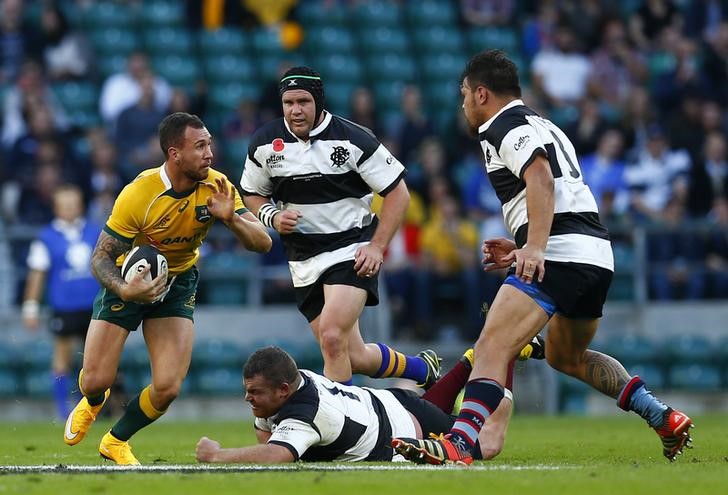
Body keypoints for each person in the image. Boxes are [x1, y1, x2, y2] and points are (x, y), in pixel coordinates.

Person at [393, 50, 693, 466]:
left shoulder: (504, 125)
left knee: (491, 346)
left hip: (558, 253)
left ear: (482, 94)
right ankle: (660, 414)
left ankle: (458, 443)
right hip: (594, 256)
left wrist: (534, 247)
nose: (461, 104)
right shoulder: (544, 123)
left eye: (464, 94)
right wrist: (522, 245)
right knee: (564, 356)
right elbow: (559, 191)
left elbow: (540, 177)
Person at [63, 112, 272, 465]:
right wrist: (126, 291)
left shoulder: (217, 186)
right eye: (200, 146)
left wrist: (232, 219)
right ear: (174, 153)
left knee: (168, 386)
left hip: (176, 282)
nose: (210, 153)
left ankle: (116, 440)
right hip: (127, 280)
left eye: (210, 144)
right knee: (96, 381)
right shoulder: (139, 193)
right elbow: (99, 258)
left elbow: (263, 243)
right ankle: (95, 399)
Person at [240, 66, 440, 387]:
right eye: (288, 103)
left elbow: (398, 193)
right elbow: (251, 193)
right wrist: (272, 217)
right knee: (352, 354)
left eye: (303, 101)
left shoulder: (353, 138)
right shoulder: (265, 143)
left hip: (352, 249)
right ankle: (422, 370)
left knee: (332, 338)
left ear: (319, 101)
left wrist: (376, 246)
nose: (295, 110)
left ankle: (339, 429)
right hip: (303, 257)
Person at [195, 345, 519, 463]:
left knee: (488, 443)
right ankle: (469, 363)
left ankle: (506, 353)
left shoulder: (305, 413)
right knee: (432, 408)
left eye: (254, 393)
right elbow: (268, 439)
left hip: (406, 430)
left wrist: (216, 456)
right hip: (393, 403)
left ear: (282, 390)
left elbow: (277, 453)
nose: (247, 398)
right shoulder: (296, 380)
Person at [21, 184, 100, 420]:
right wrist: (31, 306)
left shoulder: (95, 232)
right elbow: (37, 274)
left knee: (93, 359)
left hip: (95, 305)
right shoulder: (46, 238)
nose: (70, 208)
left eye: (73, 204)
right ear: (55, 207)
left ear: (81, 205)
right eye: (64, 204)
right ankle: (63, 409)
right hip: (64, 306)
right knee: (62, 357)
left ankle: (86, 408)